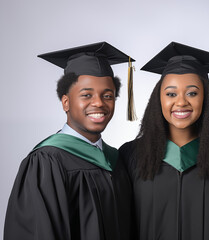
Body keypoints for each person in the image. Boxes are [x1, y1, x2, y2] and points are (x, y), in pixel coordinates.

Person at [4, 42, 134, 240]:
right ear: (66, 102)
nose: (99, 102)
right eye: (86, 95)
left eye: (107, 95)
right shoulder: (46, 162)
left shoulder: (117, 160)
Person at [116, 42, 209, 240]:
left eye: (192, 93)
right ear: (159, 99)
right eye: (171, 94)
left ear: (205, 98)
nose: (181, 102)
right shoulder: (131, 155)